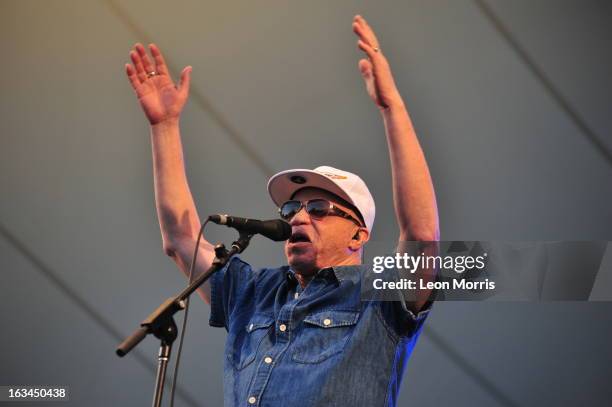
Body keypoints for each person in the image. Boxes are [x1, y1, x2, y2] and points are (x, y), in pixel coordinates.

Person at [126, 14, 439, 407]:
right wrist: (165, 126)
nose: (298, 218)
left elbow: (422, 236)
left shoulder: (379, 295)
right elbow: (180, 238)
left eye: (320, 208)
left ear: (359, 234)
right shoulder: (255, 293)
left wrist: (392, 106)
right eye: (293, 207)